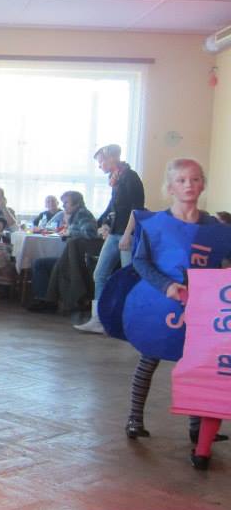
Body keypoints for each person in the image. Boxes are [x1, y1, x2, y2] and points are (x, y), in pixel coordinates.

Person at [107, 159, 231, 461]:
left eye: (195, 179)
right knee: (150, 357)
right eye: (181, 180)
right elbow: (141, 261)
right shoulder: (154, 224)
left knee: (197, 364)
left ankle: (196, 426)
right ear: (170, 187)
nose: (189, 185)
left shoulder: (215, 229)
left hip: (201, 306)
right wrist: (166, 286)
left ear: (203, 184)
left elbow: (223, 262)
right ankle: (135, 418)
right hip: (159, 301)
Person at [76, 144, 145, 333]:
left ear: (112, 158)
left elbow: (137, 209)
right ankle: (99, 319)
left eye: (101, 161)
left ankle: (129, 320)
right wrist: (103, 223)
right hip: (115, 233)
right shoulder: (116, 179)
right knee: (100, 274)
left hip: (127, 234)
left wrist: (128, 234)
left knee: (128, 277)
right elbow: (113, 207)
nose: (100, 166)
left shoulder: (130, 177)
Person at [27, 191, 99, 312]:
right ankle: (47, 300)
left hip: (78, 260)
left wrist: (69, 232)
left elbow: (90, 233)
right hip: (73, 257)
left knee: (40, 264)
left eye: (66, 202)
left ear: (77, 203)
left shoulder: (82, 213)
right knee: (43, 263)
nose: (63, 205)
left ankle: (46, 301)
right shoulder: (75, 214)